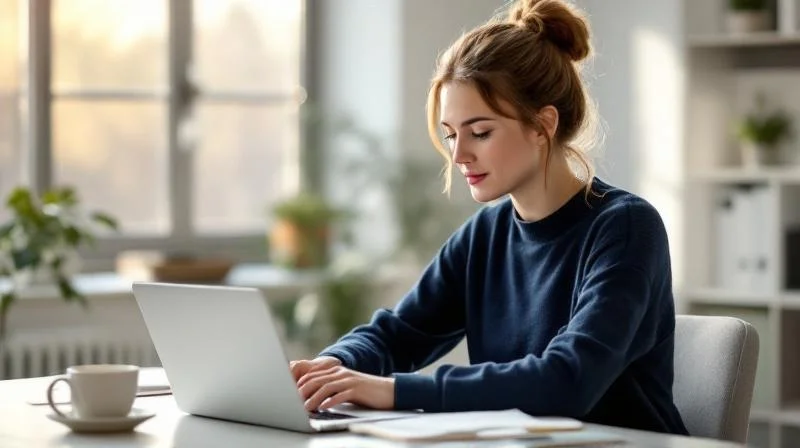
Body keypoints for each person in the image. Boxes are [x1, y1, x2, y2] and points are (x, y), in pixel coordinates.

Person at [290, 0, 689, 435]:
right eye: (451, 134)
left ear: (543, 125)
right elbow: (398, 333)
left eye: (480, 132)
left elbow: (567, 381)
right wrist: (332, 366)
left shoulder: (625, 227)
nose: (459, 155)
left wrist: (393, 391)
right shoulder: (485, 234)